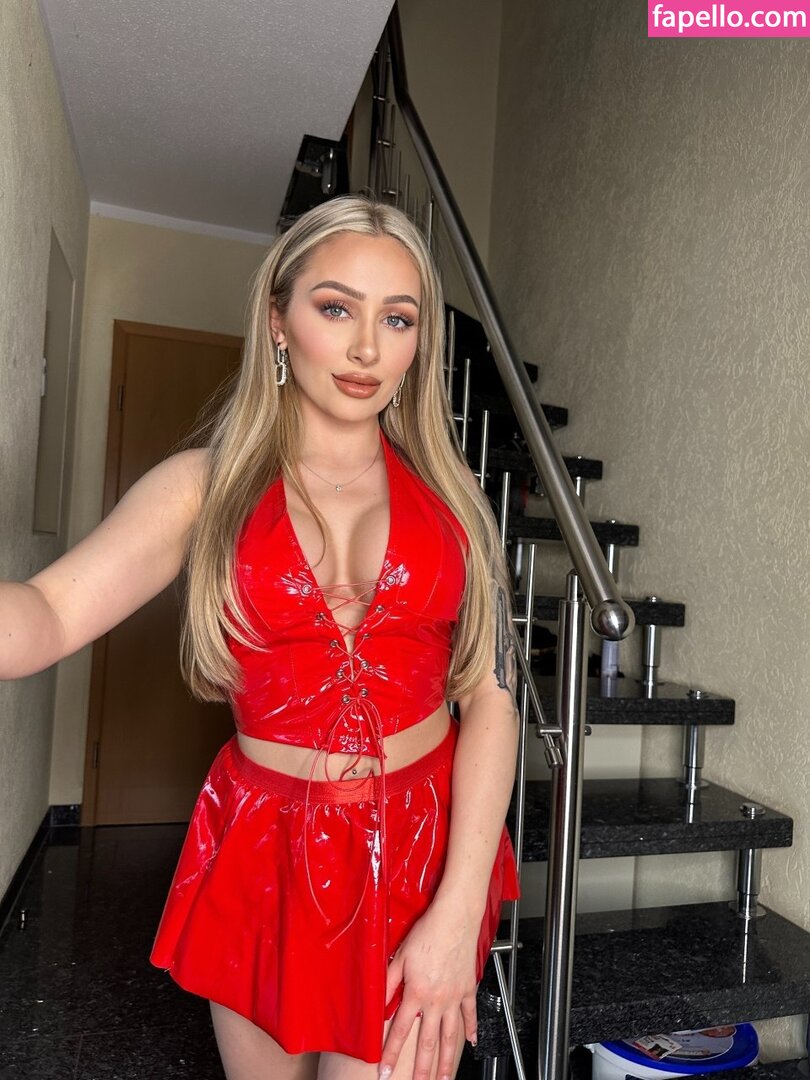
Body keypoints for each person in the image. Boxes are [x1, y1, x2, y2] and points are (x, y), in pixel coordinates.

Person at [0, 195, 520, 1080]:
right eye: (336, 308)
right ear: (278, 321)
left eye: (398, 319)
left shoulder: (457, 499)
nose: (367, 348)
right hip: (262, 851)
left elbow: (492, 700)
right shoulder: (203, 488)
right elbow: (43, 617)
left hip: (421, 854)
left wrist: (458, 905)